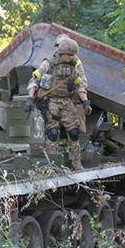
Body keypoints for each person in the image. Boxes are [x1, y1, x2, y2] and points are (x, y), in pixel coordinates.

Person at [24, 34, 91, 170]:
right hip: (52, 101)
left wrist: (85, 103)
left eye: (73, 55)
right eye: (69, 55)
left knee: (74, 132)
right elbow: (34, 80)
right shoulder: (49, 62)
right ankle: (53, 165)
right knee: (52, 133)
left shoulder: (75, 64)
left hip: (67, 101)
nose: (72, 57)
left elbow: (81, 84)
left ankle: (76, 163)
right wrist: (30, 100)